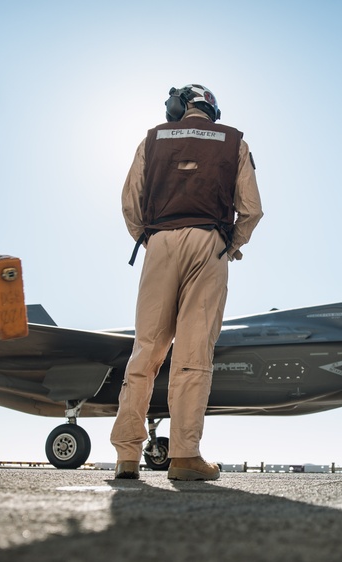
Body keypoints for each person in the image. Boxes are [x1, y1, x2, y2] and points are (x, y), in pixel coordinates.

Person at [111, 84, 263, 481]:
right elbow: (251, 208)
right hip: (209, 244)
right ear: (211, 109)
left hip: (160, 242)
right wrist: (230, 245)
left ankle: (127, 455)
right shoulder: (234, 142)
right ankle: (183, 458)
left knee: (146, 349)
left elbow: (131, 201)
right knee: (194, 354)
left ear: (179, 106)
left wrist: (149, 239)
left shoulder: (153, 138)